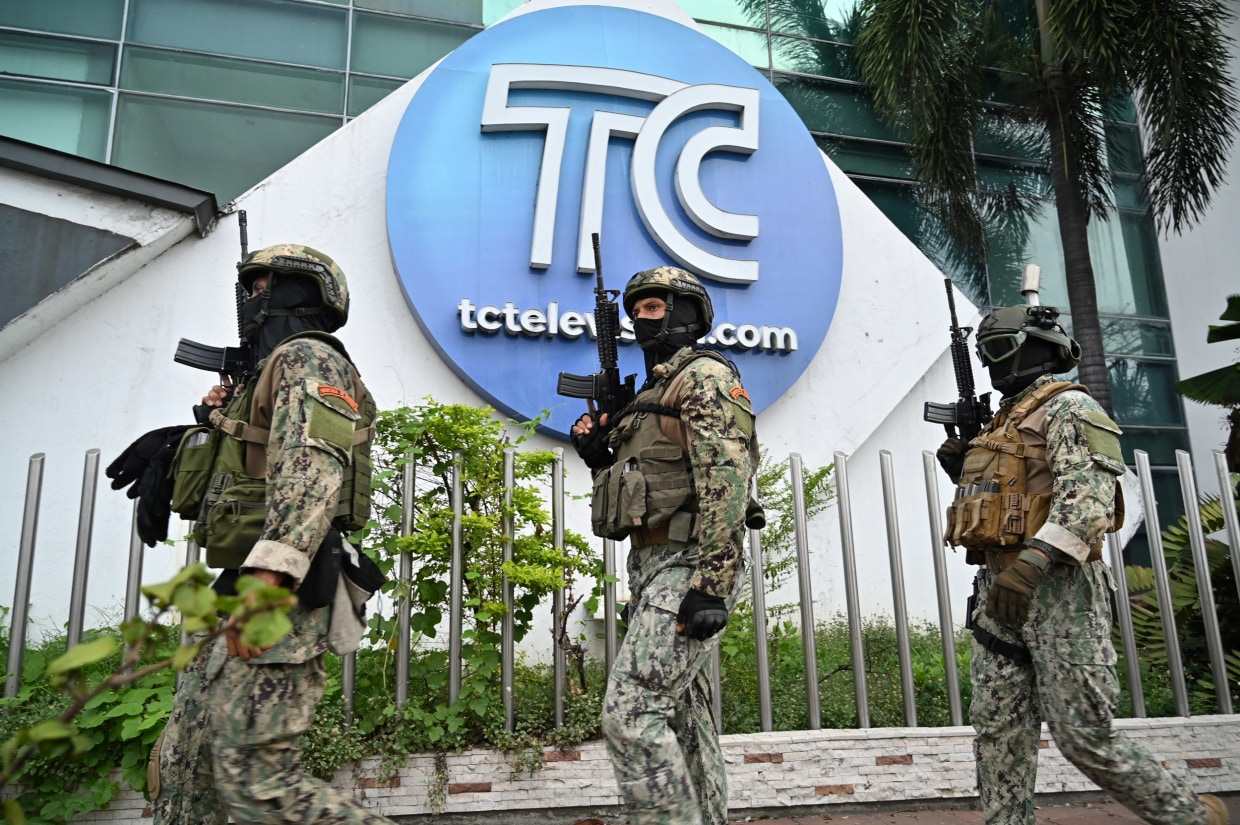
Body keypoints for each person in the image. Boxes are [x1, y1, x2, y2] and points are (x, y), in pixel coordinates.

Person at [935, 303, 1229, 825]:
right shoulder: (1005, 418)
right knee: (998, 729)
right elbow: (1007, 500)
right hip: (996, 589)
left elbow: (1087, 503)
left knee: (1083, 734)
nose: (990, 362)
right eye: (984, 353)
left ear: (1037, 346)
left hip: (1057, 589)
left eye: (998, 349)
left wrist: (1030, 566)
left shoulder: (1070, 406)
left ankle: (1188, 816)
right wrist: (962, 465)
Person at [147, 244, 391, 825]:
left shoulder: (310, 356)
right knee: (186, 764)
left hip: (283, 587)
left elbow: (313, 469)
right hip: (239, 583)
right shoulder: (267, 368)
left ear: (301, 293)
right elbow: (250, 461)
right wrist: (206, 427)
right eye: (248, 287)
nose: (252, 299)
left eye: (264, 287)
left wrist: (271, 574)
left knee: (261, 786)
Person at [570, 266, 758, 825]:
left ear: (687, 314)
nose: (639, 319)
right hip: (653, 569)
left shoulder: (701, 377)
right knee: (683, 717)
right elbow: (643, 484)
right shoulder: (652, 393)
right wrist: (600, 452)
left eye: (653, 307)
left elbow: (726, 477)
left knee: (630, 714)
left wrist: (712, 584)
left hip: (689, 566)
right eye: (635, 311)